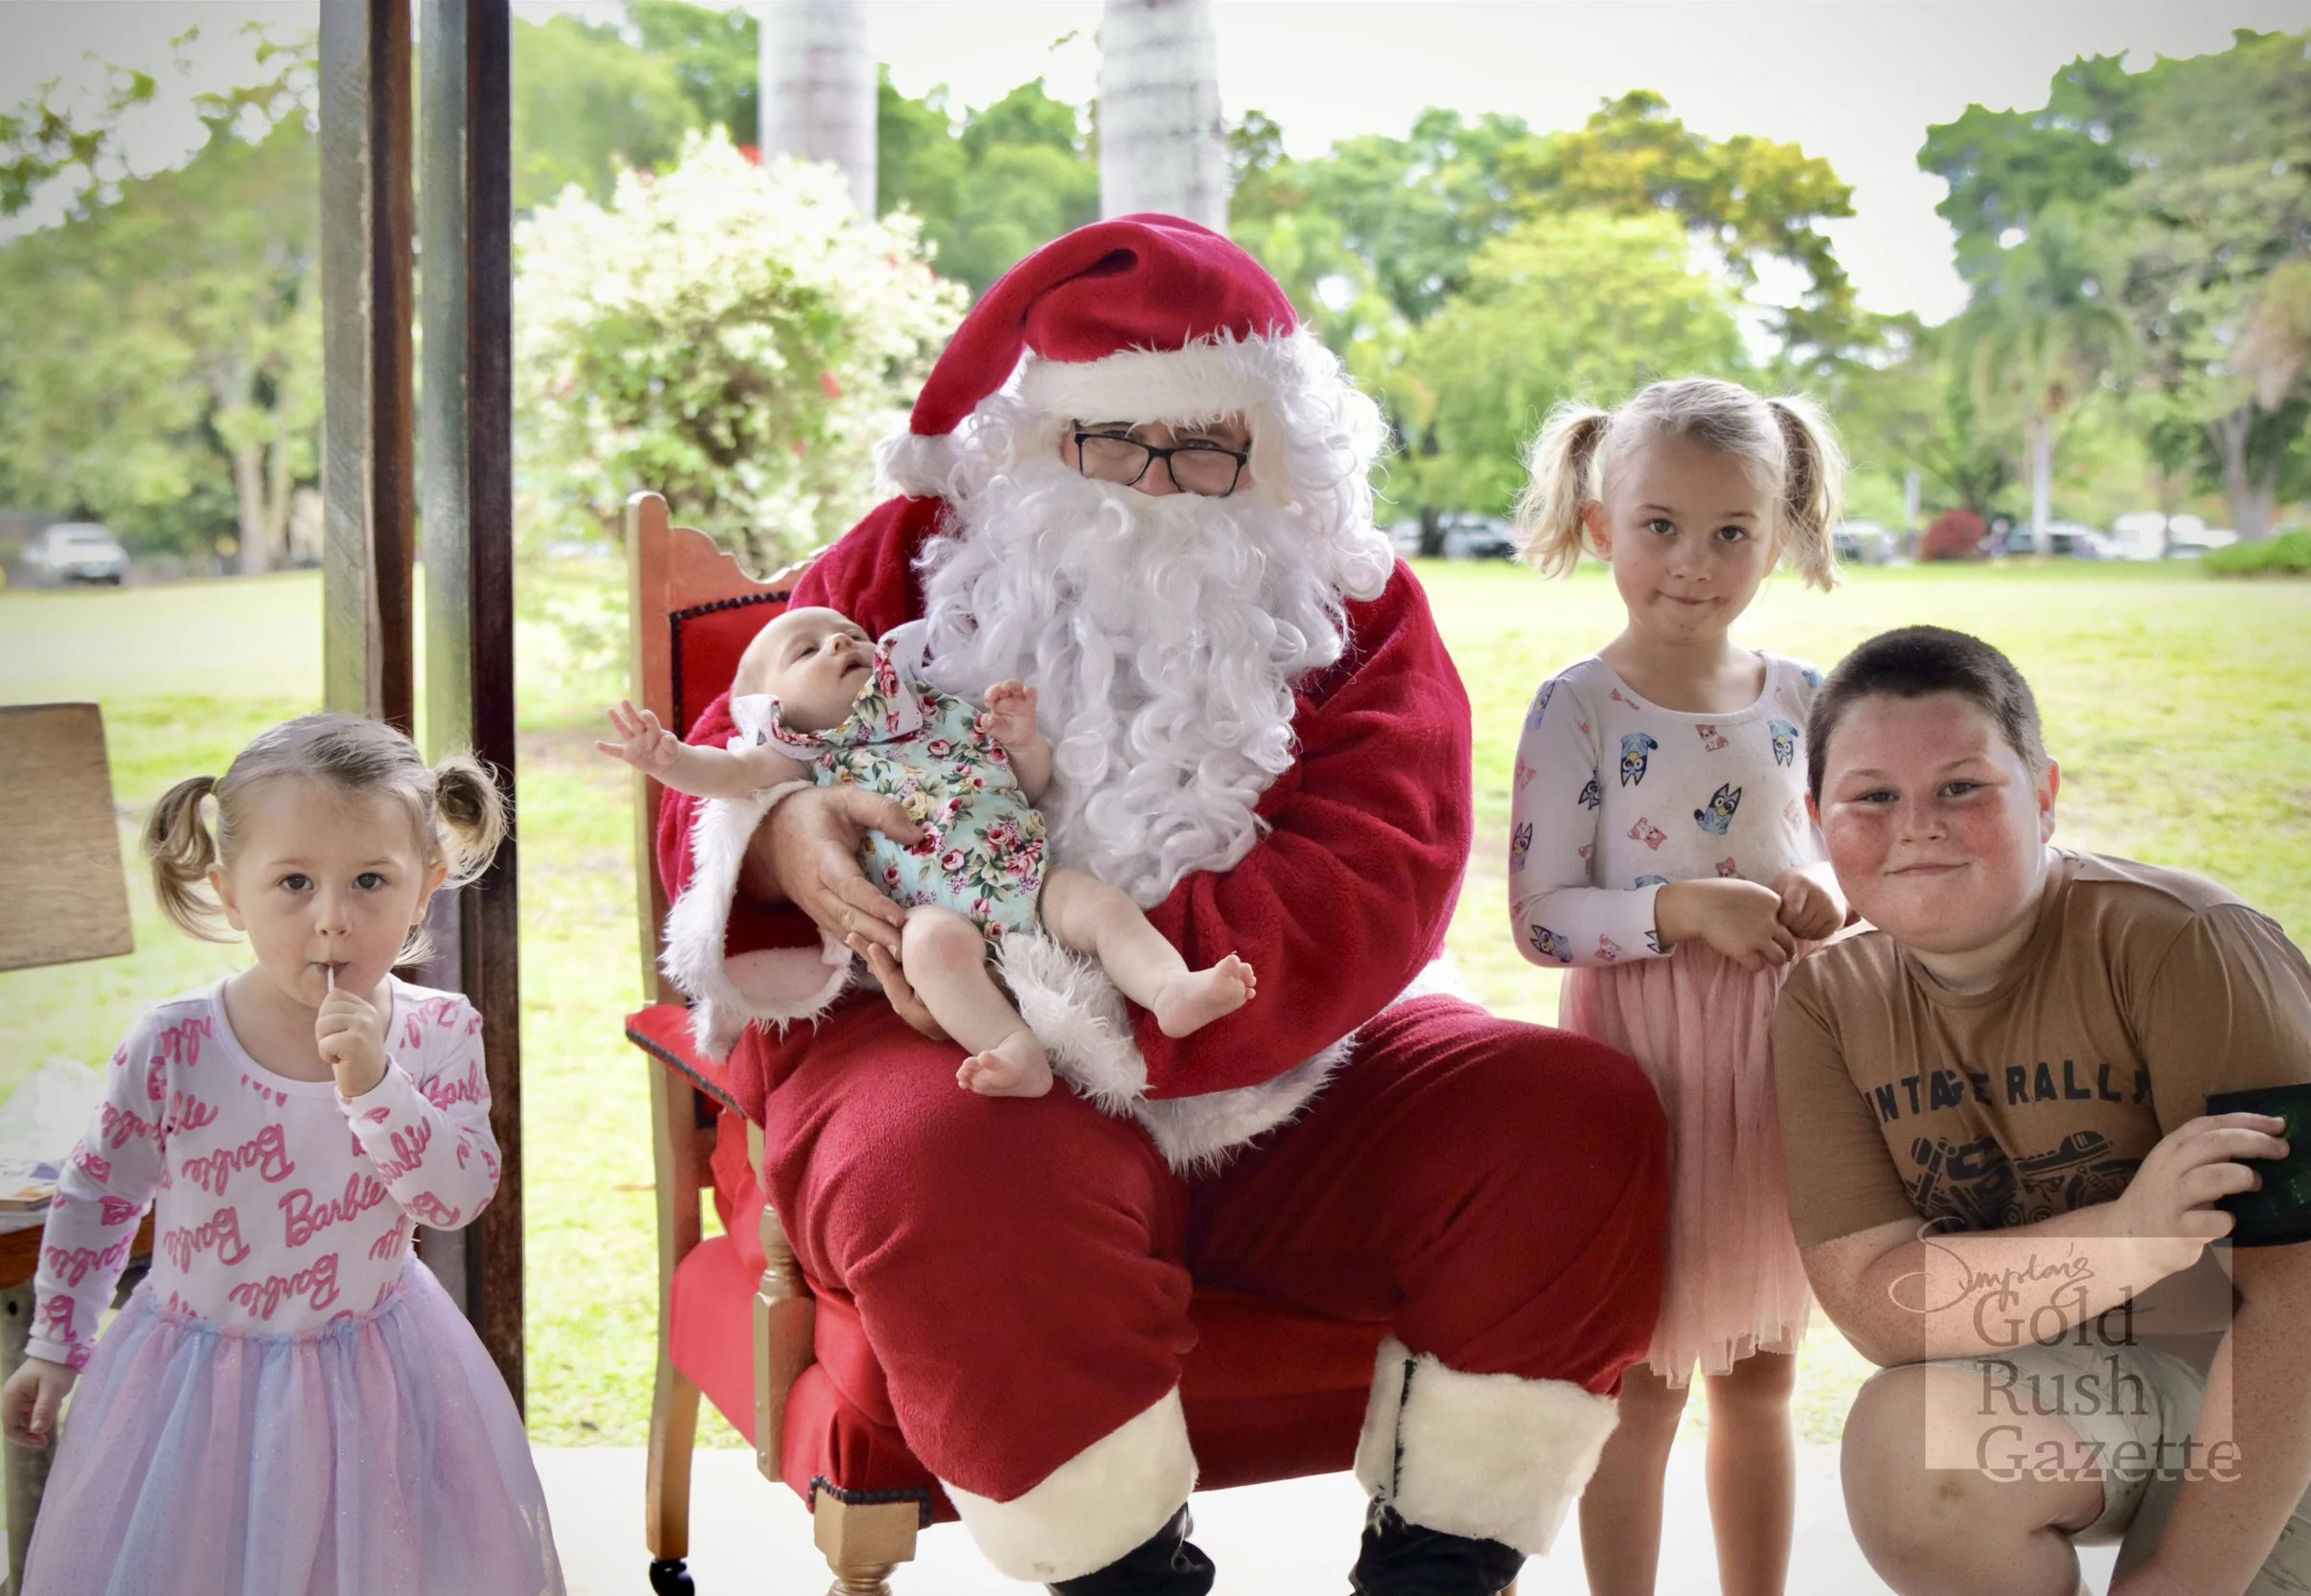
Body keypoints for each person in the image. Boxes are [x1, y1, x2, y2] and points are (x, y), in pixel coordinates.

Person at [652, 215, 1669, 1595]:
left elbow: (1384, 863)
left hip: (1271, 1052)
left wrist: (1133, 1001)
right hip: (955, 1039)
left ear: (1279, 451)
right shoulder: (907, 554)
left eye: (1205, 446)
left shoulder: (1355, 604)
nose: (1155, 481)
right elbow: (718, 763)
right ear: (1035, 439)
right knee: (950, 1169)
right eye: (1110, 441)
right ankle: (1130, 1580)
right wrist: (780, 837)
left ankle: (1435, 1572)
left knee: (1566, 1116)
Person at [1773, 625, 2311, 1596]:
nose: (1918, 825)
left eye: (1961, 786)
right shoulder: (1825, 999)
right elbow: (1877, 1302)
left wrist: (2174, 1584)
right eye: (1874, 796)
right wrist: (2131, 1238)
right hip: (2118, 1388)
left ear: (2044, 793)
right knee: (1913, 1453)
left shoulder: (2191, 942)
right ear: (1817, 818)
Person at [0, 714, 563, 1596]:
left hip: (375, 1378)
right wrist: (55, 1343)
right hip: (196, 1391)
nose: (333, 920)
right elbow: (99, 1196)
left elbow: (454, 1199)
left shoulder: (437, 1031)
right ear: (231, 893)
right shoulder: (177, 1043)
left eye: (371, 880)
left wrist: (377, 1086)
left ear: (426, 885)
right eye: (294, 882)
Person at [1506, 377, 1846, 1596]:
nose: (1694, 562)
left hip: (1773, 1069)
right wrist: (1681, 909)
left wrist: (1827, 892)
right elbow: (1542, 917)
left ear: (1779, 534)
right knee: (1641, 1378)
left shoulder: (1805, 698)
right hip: (1641, 1078)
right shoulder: (1578, 706)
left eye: (1730, 531)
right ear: (1602, 525)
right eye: (1660, 526)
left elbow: (1847, 853)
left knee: (1760, 1372)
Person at [596, 604, 1255, 1097]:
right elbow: (727, 776)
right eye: (807, 651)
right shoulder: (803, 753)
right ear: (772, 710)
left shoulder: (941, 711)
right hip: (931, 910)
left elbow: (1024, 787)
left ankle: (1169, 989)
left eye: (850, 634)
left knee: (1105, 909)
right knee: (931, 950)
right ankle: (1012, 1049)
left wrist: (1022, 742)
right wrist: (669, 760)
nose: (840, 642)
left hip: (1025, 876)